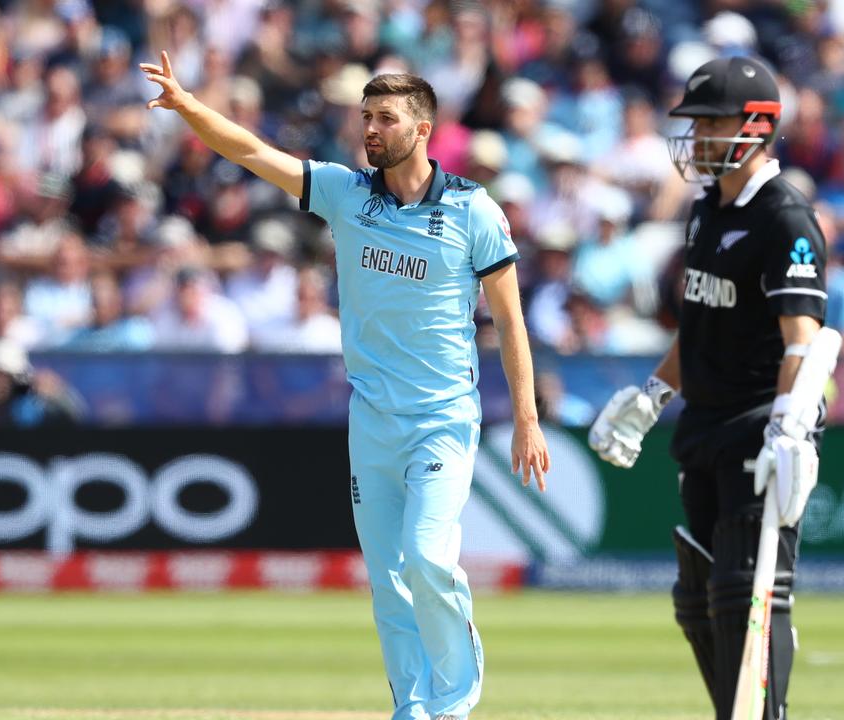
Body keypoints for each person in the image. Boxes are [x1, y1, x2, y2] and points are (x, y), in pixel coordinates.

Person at [141, 53, 550, 720]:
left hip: (443, 417)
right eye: (365, 117)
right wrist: (189, 107)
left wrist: (527, 418)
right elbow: (248, 150)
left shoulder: (476, 211)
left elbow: (509, 320)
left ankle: (454, 694)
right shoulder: (343, 192)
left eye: (385, 118)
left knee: (426, 556)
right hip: (372, 420)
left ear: (422, 130)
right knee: (388, 581)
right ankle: (411, 707)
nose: (370, 129)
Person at [588, 57, 829, 720]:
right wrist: (651, 397)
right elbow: (697, 328)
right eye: (694, 124)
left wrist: (790, 424)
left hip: (760, 425)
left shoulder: (785, 219)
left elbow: (803, 341)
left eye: (712, 122)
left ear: (758, 125)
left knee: (746, 594)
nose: (696, 139)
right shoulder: (705, 212)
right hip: (705, 423)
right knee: (697, 598)